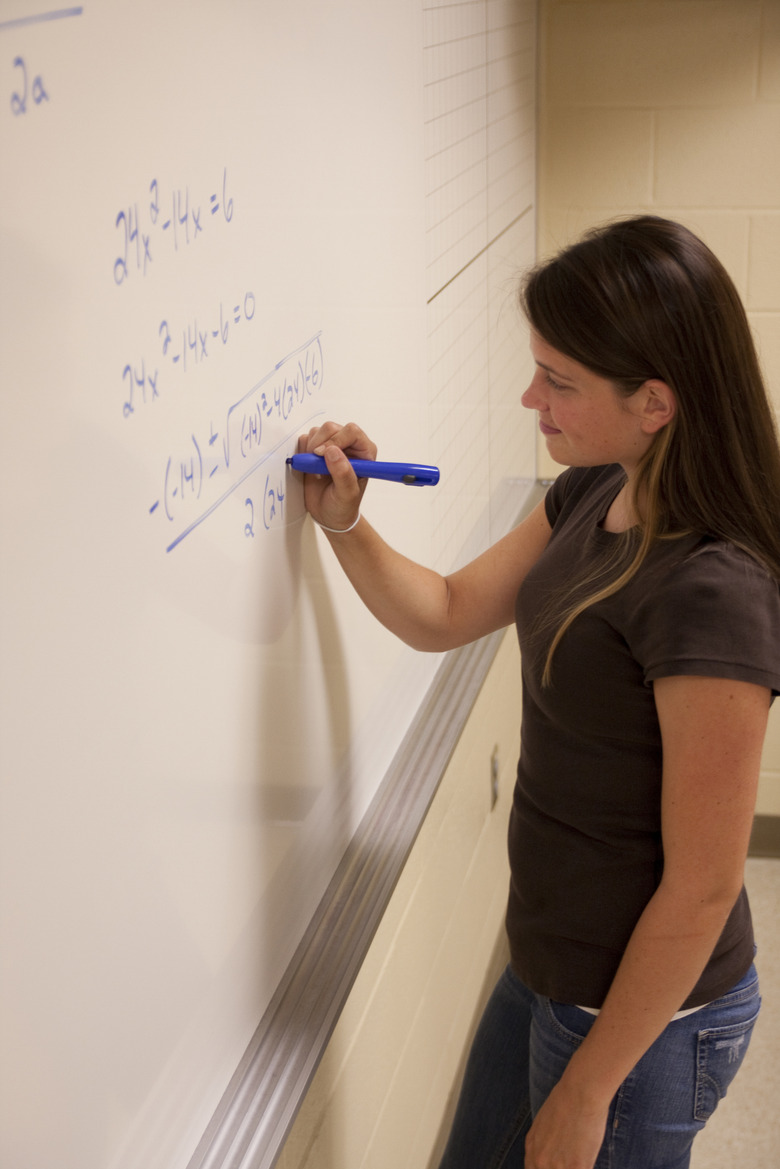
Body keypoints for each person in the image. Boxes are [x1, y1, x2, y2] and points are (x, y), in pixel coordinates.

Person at [295, 216, 780, 1169]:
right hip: (552, 970)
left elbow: (705, 881)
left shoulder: (711, 595)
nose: (531, 397)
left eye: (558, 381)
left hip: (644, 1021)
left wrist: (592, 1086)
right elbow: (442, 610)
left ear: (655, 402)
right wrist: (348, 523)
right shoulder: (598, 489)